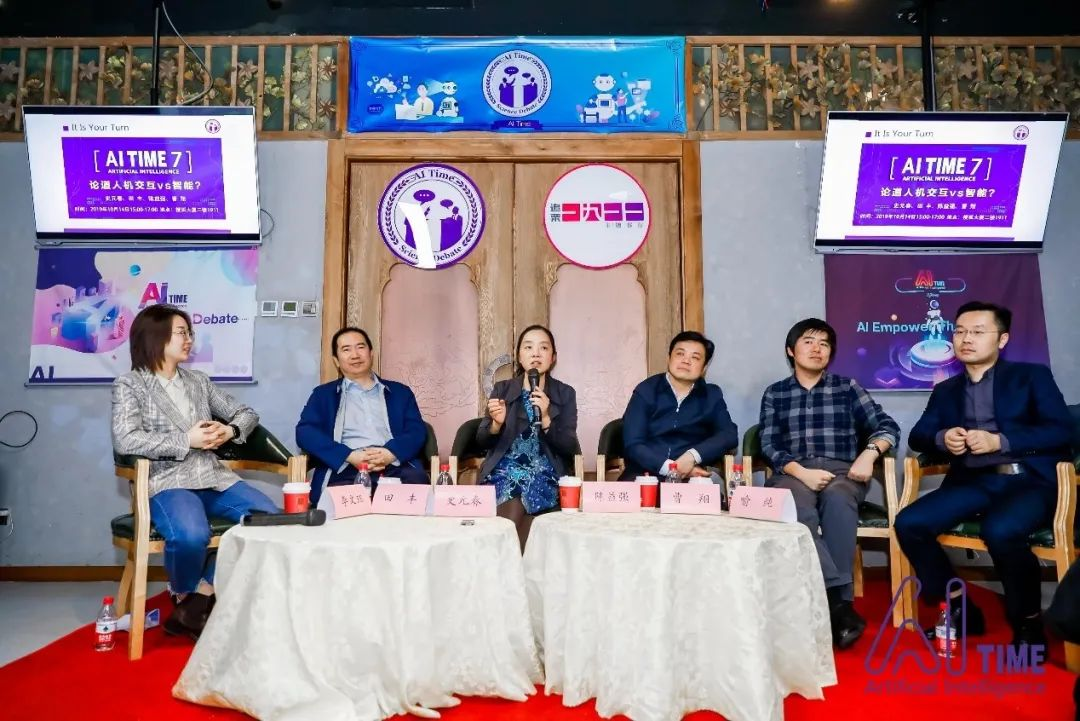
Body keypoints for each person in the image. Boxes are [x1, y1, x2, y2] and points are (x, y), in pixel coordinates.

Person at [895, 301, 1073, 649]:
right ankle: (961, 609)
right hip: (973, 481)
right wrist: (942, 438)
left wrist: (1001, 440)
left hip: (1028, 480)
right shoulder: (946, 390)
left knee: (1001, 531)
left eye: (978, 332)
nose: (966, 339)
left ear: (1002, 339)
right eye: (960, 331)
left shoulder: (1031, 377)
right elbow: (918, 436)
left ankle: (1028, 622)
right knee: (909, 523)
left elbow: (1061, 429)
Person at [111, 304, 278, 640]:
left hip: (214, 478)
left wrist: (230, 430)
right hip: (167, 480)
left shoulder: (198, 381)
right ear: (156, 337)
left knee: (272, 520)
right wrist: (186, 440)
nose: (189, 339)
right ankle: (184, 594)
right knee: (190, 535)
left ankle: (199, 596)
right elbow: (126, 438)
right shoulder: (130, 384)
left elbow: (246, 413)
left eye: (190, 333)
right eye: (182, 333)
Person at [759, 318, 899, 649]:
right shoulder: (776, 393)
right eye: (808, 342)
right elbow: (768, 443)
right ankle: (839, 603)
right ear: (791, 351)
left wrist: (869, 453)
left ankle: (832, 603)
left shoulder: (847, 387)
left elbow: (887, 426)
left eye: (824, 344)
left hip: (843, 472)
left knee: (838, 499)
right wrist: (801, 472)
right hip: (794, 472)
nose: (817, 349)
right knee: (795, 507)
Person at [296, 327, 429, 507]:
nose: (355, 355)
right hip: (345, 468)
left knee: (416, 496)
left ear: (371, 353)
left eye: (360, 347)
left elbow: (417, 431)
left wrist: (391, 453)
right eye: (346, 349)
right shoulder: (323, 395)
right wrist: (349, 455)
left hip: (394, 466)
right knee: (338, 510)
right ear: (336, 360)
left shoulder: (400, 392)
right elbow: (305, 433)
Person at [476, 325, 579, 550]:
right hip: (503, 469)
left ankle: (497, 556)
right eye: (529, 347)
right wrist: (496, 424)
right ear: (519, 357)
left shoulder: (565, 393)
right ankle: (516, 561)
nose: (536, 354)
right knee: (517, 493)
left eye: (544, 348)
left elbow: (569, 446)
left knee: (522, 489)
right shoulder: (502, 389)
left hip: (545, 470)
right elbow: (481, 441)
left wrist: (547, 418)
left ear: (553, 358)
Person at [620, 331, 737, 480]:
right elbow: (633, 444)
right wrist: (673, 469)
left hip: (691, 478)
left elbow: (728, 434)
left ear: (704, 368)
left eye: (695, 357)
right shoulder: (647, 390)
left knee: (710, 493)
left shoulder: (711, 395)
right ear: (669, 358)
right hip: (643, 473)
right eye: (680, 354)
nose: (686, 361)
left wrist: (691, 457)